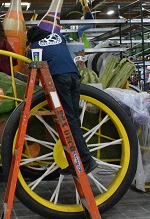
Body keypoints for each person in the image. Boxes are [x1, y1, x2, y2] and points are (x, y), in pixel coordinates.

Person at [26, 25, 98, 174]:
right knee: (74, 120)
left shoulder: (35, 46)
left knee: (68, 119)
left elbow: (34, 64)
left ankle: (86, 160)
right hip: (74, 76)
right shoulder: (59, 38)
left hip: (59, 78)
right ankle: (75, 161)